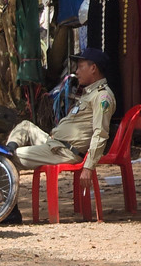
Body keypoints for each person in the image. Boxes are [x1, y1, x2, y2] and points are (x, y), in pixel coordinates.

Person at [6, 48, 115, 190]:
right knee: (25, 126)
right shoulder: (90, 93)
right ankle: (8, 150)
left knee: (7, 160)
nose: (76, 72)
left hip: (64, 152)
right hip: (55, 144)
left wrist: (88, 167)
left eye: (80, 67)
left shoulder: (102, 97)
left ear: (93, 68)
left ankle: (4, 201)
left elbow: (100, 134)